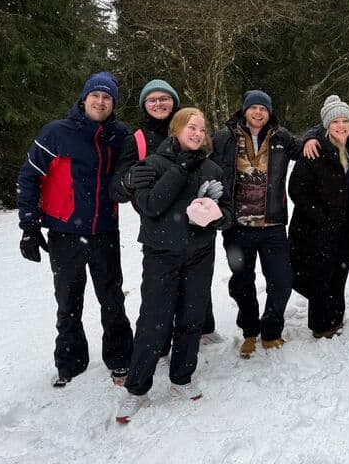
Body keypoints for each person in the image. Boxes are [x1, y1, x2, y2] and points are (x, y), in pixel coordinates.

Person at [115, 108, 232, 423]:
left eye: (202, 128)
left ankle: (182, 377)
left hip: (200, 253)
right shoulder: (152, 164)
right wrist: (179, 170)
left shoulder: (212, 168)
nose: (197, 133)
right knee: (154, 321)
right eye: (191, 127)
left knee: (192, 317)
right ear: (176, 130)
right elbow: (151, 206)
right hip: (161, 254)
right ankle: (136, 389)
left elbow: (227, 211)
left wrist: (217, 215)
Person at [17, 72, 133, 387]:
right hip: (64, 234)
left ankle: (121, 358)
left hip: (105, 232)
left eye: (107, 97)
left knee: (112, 300)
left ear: (113, 104)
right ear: (84, 100)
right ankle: (69, 362)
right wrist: (29, 225)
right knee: (68, 300)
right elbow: (29, 177)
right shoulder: (56, 133)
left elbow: (134, 169)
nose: (100, 101)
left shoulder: (119, 135)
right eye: (95, 96)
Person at [110, 79, 223, 349]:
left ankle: (202, 326)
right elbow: (116, 188)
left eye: (165, 98)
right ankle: (158, 341)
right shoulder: (135, 140)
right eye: (153, 100)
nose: (159, 103)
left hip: (197, 218)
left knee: (197, 276)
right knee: (160, 285)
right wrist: (129, 180)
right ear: (144, 105)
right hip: (158, 220)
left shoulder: (192, 127)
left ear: (174, 101)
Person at [212, 90, 302, 358]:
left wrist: (324, 130)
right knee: (241, 283)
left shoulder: (282, 138)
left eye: (264, 108)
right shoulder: (224, 138)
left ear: (269, 112)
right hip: (236, 227)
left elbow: (309, 149)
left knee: (282, 281)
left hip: (272, 225)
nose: (259, 112)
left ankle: (271, 330)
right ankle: (250, 332)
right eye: (254, 108)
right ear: (245, 110)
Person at [288, 96, 349, 338]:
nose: (341, 126)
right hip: (317, 227)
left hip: (347, 224)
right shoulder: (314, 150)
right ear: (327, 125)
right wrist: (321, 216)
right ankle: (321, 324)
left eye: (346, 120)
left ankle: (337, 317)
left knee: (340, 272)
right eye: (336, 121)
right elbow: (297, 190)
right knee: (320, 276)